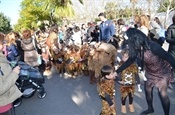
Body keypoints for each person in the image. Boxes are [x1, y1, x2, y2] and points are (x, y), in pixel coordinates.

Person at [116, 28, 175, 115]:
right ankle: (150, 108)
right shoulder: (136, 49)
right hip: (150, 72)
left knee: (162, 94)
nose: (128, 44)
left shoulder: (153, 46)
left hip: (162, 72)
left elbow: (169, 58)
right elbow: (129, 61)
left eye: (129, 41)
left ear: (135, 39)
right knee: (147, 89)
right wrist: (117, 71)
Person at [0, 33, 22, 115]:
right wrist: (14, 73)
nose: (4, 45)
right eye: (2, 43)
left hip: (6, 101)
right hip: (3, 106)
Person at [118, 49, 138, 114]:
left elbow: (136, 74)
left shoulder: (133, 65)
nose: (123, 58)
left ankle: (130, 104)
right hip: (123, 84)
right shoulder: (121, 64)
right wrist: (119, 80)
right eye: (122, 56)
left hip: (131, 83)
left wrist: (138, 82)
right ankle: (123, 105)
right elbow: (118, 73)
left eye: (125, 57)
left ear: (130, 57)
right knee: (124, 95)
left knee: (131, 95)